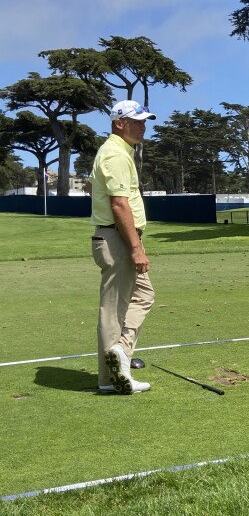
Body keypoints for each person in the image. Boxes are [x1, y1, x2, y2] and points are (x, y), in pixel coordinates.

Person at [89, 99, 157, 395]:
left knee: (143, 295)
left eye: (144, 121)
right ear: (119, 124)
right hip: (118, 239)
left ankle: (120, 355)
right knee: (114, 309)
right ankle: (111, 374)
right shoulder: (115, 154)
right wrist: (135, 248)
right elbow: (119, 205)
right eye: (137, 121)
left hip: (120, 238)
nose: (143, 127)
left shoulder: (121, 152)